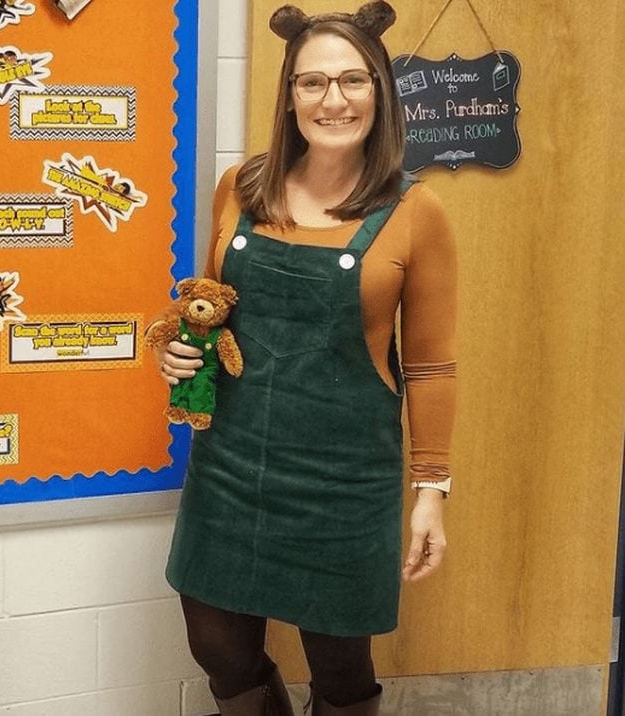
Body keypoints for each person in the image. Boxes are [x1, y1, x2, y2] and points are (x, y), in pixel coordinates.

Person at [156, 2, 456, 714]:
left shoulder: (416, 212)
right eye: (313, 82)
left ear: (379, 92)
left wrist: (431, 492)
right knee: (216, 645)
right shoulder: (241, 189)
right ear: (289, 94)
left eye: (353, 81)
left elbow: (432, 365)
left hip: (343, 481)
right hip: (232, 462)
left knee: (340, 669)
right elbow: (211, 307)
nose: (333, 100)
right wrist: (178, 353)